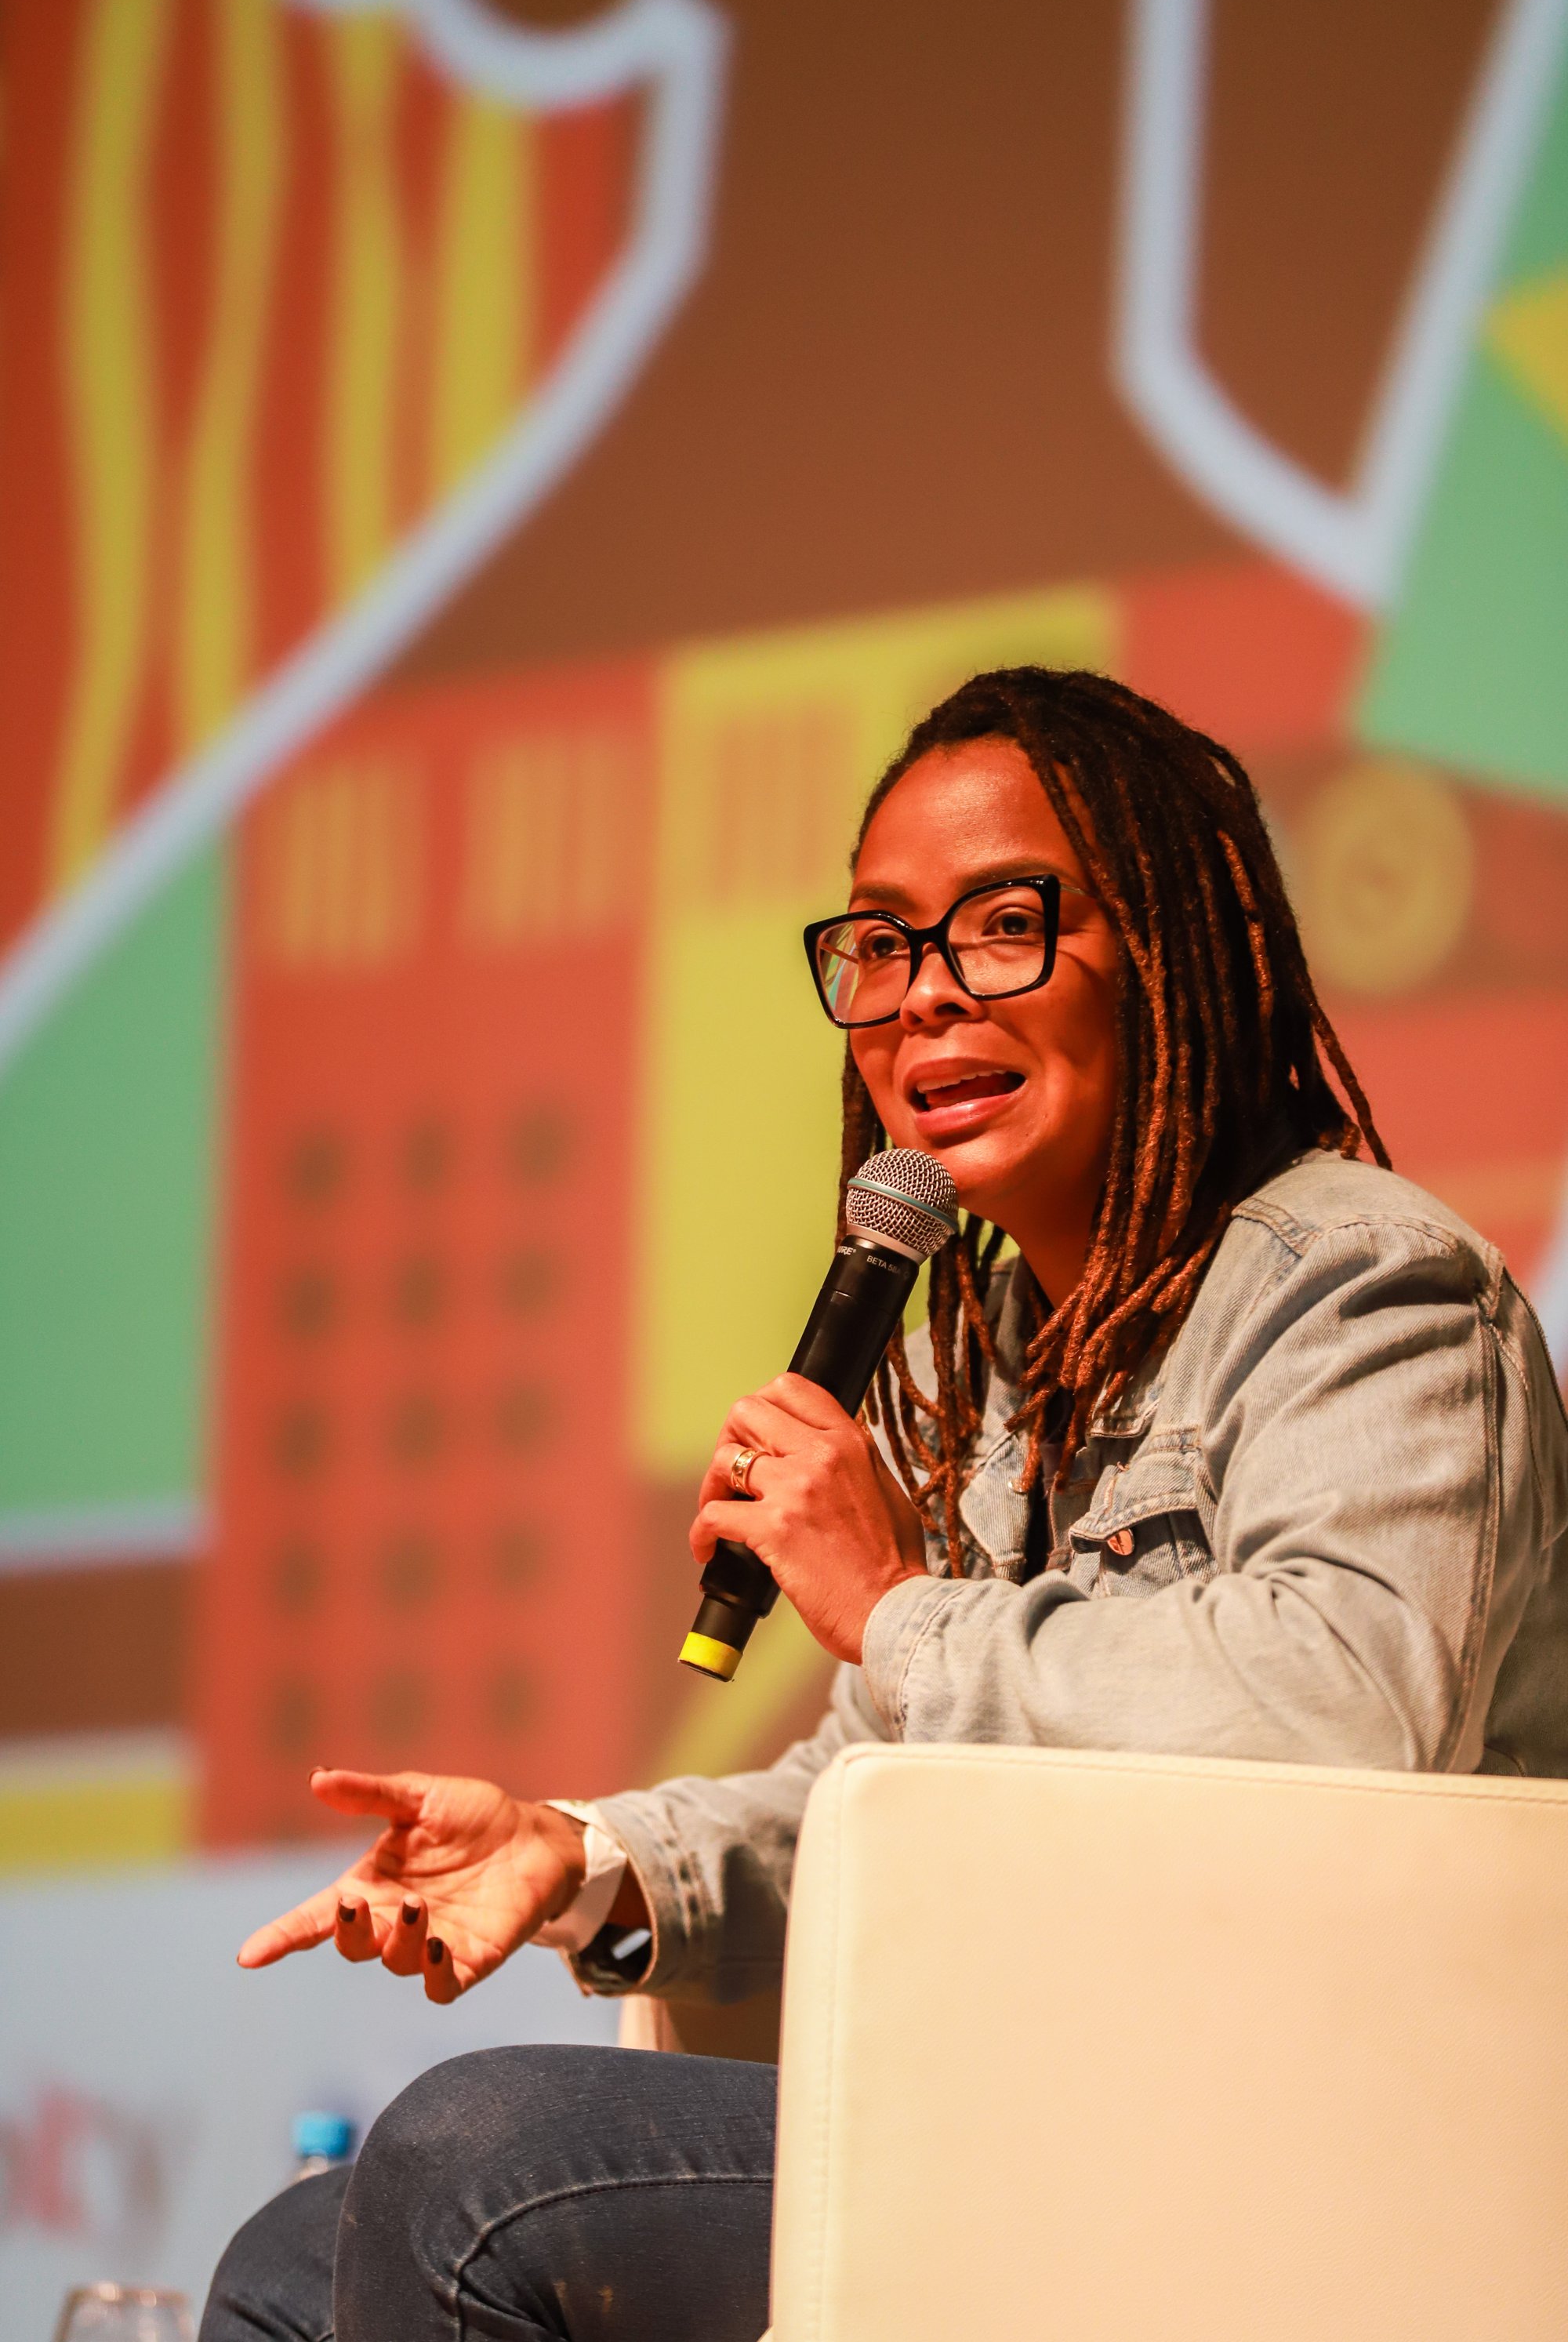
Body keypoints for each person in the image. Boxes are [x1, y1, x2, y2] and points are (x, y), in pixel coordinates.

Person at [202, 667, 1568, 2342]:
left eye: (1002, 927)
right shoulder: (995, 1356)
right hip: (1046, 2104)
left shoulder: (1366, 1287)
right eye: (881, 943)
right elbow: (882, 1805)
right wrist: (586, 1860)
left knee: (476, 2158)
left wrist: (900, 1609)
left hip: (1297, 2147)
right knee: (298, 2251)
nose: (923, 995)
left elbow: (1346, 1706)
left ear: (1170, 951)